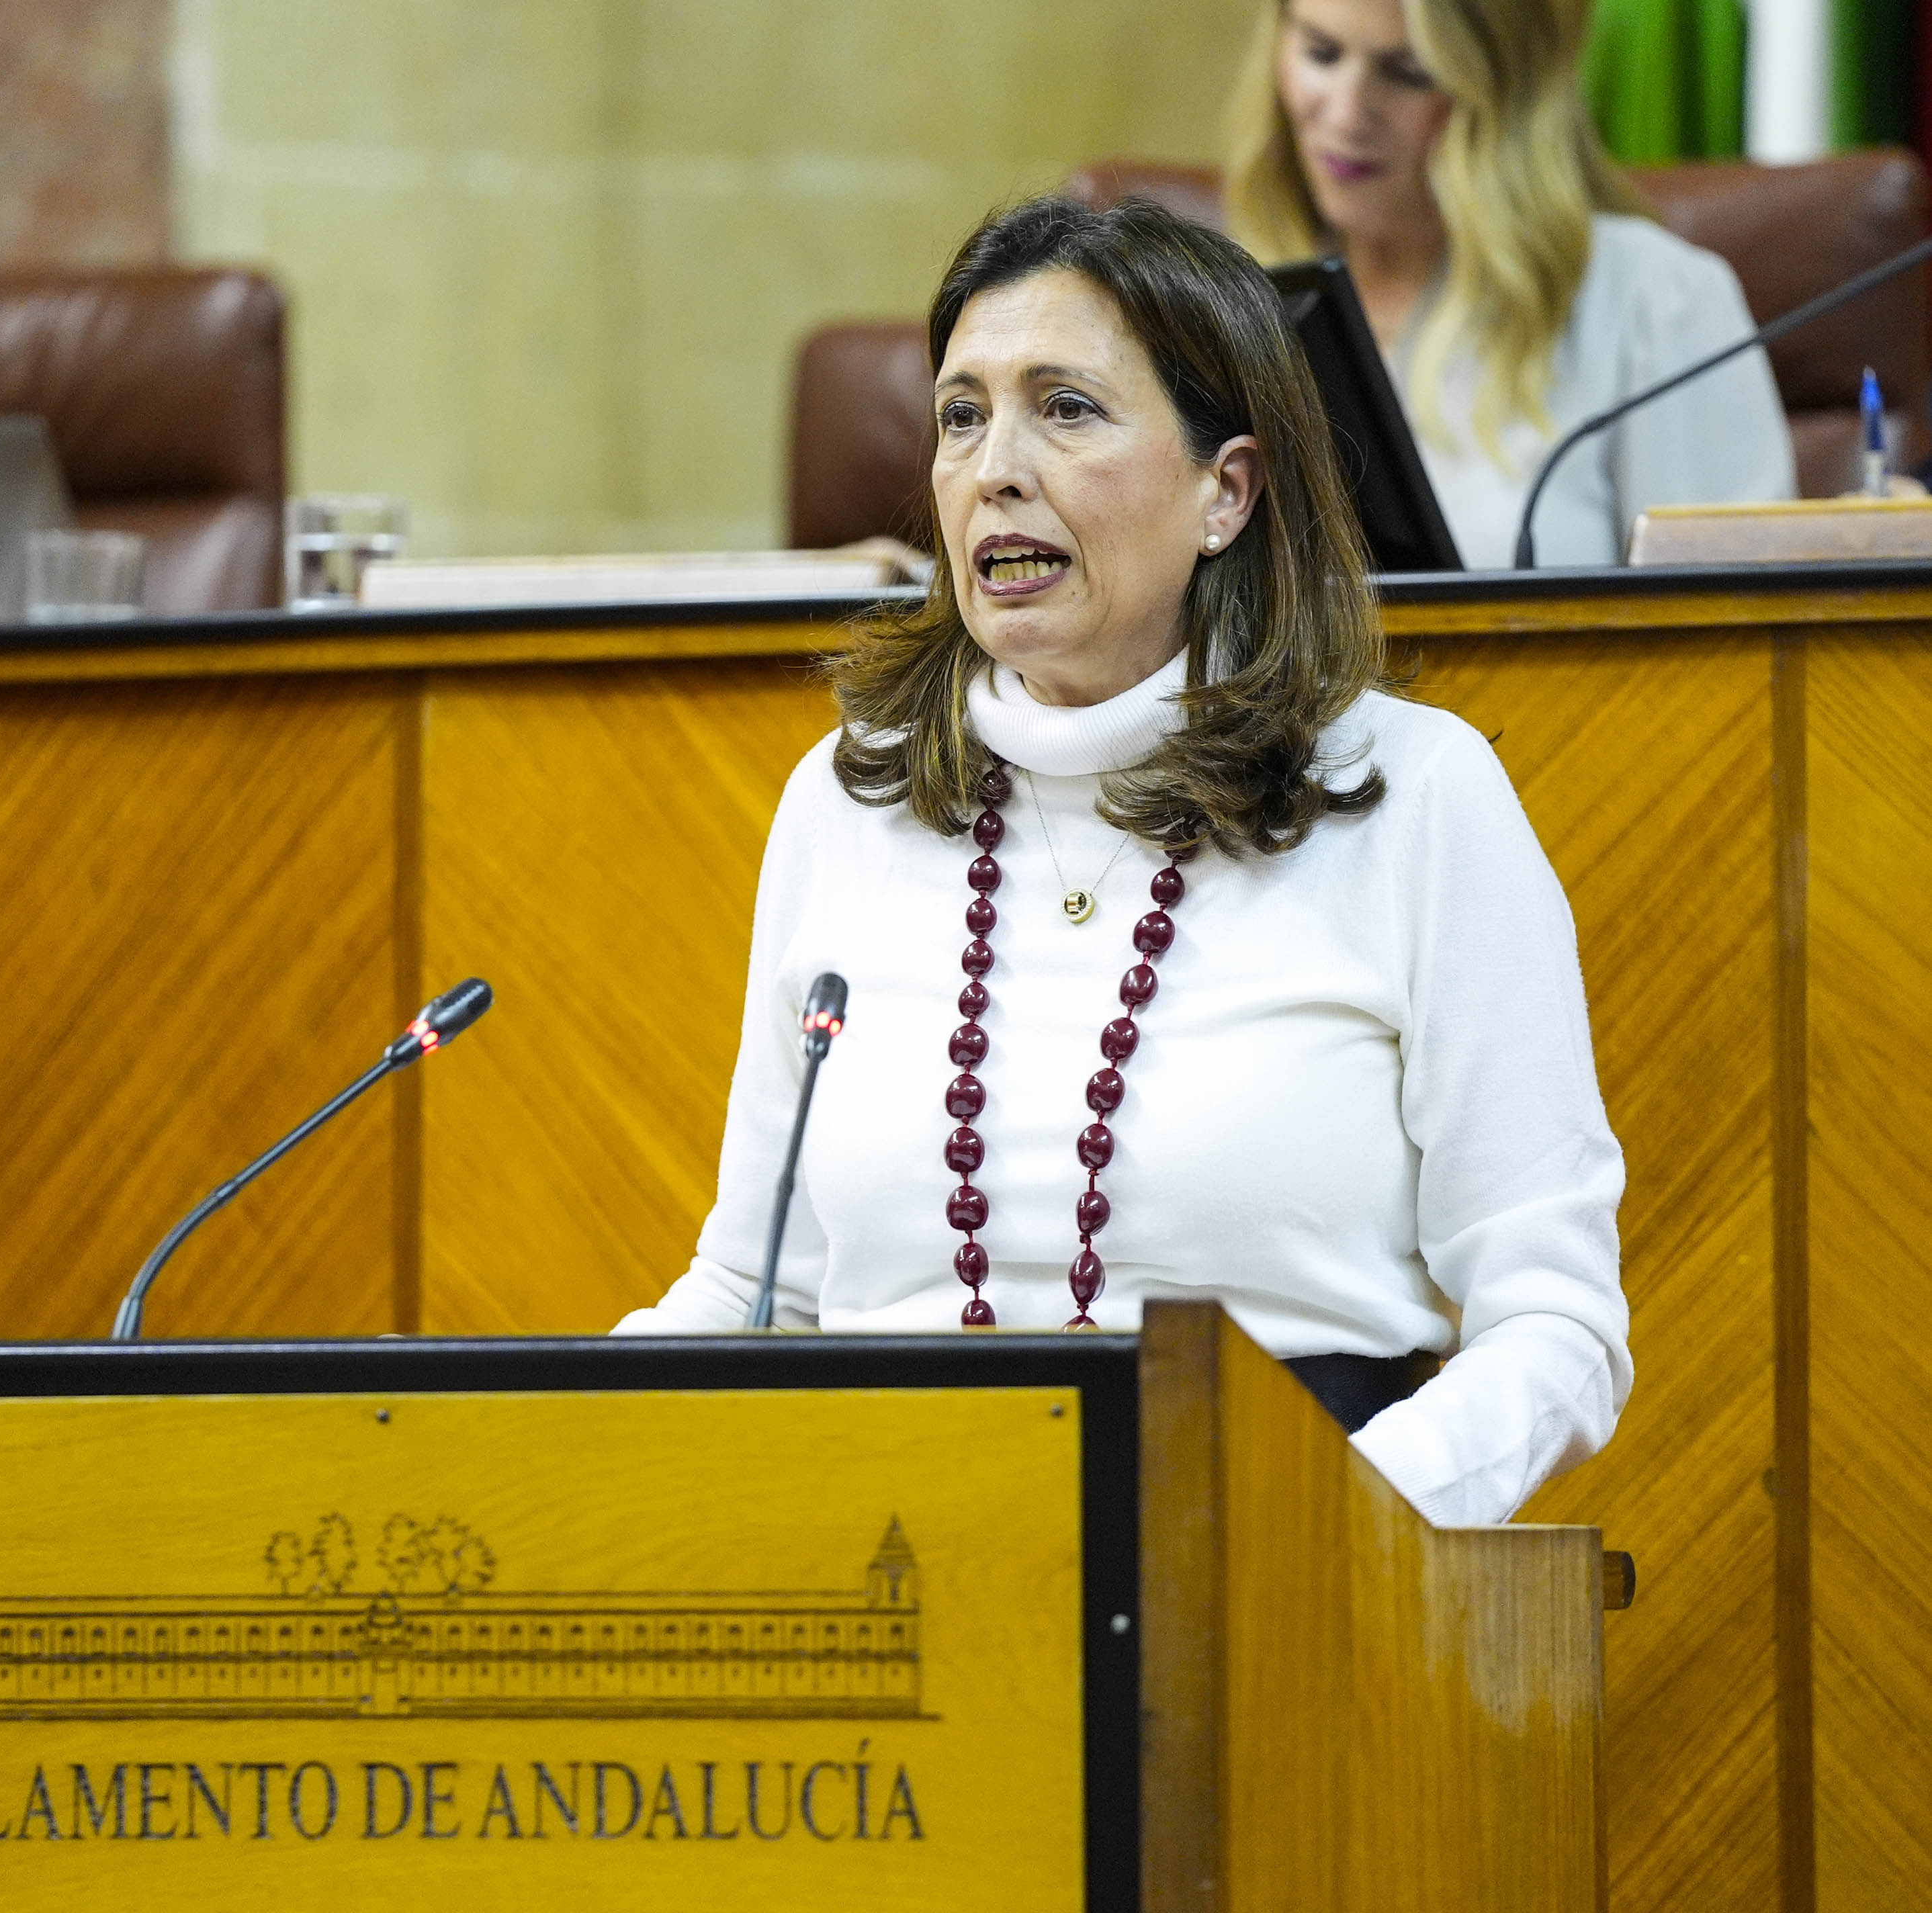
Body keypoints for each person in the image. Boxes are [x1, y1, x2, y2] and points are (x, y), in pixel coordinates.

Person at [615, 196, 1630, 1527]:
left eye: (1066, 408)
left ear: (1226, 488)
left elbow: (1554, 1323)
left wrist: (1326, 1535)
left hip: (1285, 1574)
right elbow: (755, 1298)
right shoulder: (846, 800)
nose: (994, 468)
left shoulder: (1412, 796)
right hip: (898, 1565)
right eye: (961, 413)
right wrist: (543, 1454)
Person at [1224, 0, 1792, 566]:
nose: (1346, 114)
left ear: (1505, 93)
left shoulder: (1655, 297)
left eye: (1408, 74)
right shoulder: (1232, 290)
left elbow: (1734, 635)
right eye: (1321, 54)